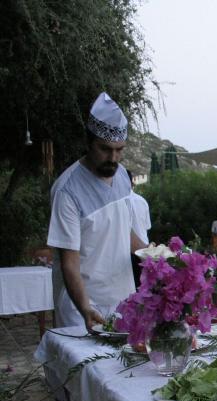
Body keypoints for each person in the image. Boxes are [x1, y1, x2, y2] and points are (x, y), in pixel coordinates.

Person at [46, 92, 147, 331]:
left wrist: (158, 257)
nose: (113, 158)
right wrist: (85, 308)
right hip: (82, 308)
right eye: (105, 149)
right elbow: (69, 262)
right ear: (88, 143)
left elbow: (124, 230)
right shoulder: (67, 191)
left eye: (119, 150)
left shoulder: (121, 176)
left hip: (123, 302)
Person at [126, 169, 152, 288]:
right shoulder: (142, 201)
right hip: (145, 251)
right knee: (143, 288)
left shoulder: (118, 203)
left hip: (128, 252)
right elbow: (147, 227)